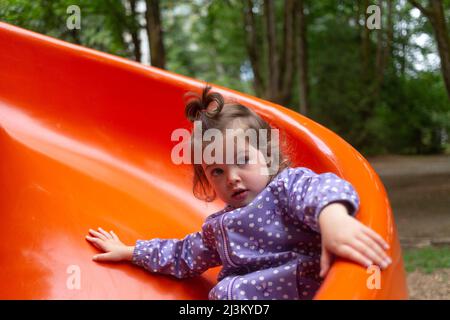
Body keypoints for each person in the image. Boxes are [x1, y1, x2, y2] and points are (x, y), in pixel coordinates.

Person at [86, 85, 391, 300]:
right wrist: (132, 251)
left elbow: (323, 188)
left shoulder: (286, 188)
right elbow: (180, 255)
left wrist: (334, 221)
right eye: (217, 171)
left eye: (242, 161)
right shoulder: (217, 229)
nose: (231, 178)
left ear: (268, 156)